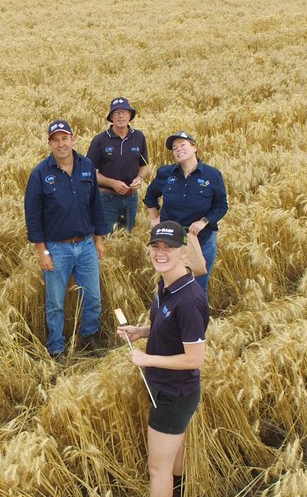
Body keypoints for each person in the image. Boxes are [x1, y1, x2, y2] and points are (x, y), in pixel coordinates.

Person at [117, 221, 209, 497]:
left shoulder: (190, 299)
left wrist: (147, 359)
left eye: (169, 247)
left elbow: (195, 359)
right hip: (164, 387)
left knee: (158, 468)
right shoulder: (166, 284)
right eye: (156, 246)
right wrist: (140, 332)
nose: (160, 253)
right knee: (174, 453)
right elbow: (163, 324)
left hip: (175, 394)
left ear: (184, 252)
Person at [25, 119, 110, 359]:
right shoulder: (40, 173)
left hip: (85, 245)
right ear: (50, 144)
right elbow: (33, 216)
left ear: (73, 139)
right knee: (55, 303)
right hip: (56, 248)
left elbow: (96, 205)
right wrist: (42, 251)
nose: (61, 144)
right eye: (56, 140)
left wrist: (99, 240)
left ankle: (89, 335)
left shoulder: (87, 166)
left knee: (93, 297)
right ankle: (56, 347)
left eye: (65, 138)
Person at [143, 131, 227, 293]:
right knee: (170, 287)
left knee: (198, 288)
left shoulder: (212, 175)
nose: (178, 149)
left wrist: (203, 221)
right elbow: (150, 197)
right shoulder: (165, 173)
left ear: (194, 147)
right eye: (174, 148)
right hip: (171, 243)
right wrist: (155, 220)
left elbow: (221, 206)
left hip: (201, 241)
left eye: (183, 145)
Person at [87, 97, 149, 233]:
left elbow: (144, 165)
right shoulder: (99, 140)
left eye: (124, 112)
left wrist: (139, 178)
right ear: (111, 117)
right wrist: (113, 183)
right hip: (106, 199)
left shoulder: (139, 137)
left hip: (131, 198)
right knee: (106, 239)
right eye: (117, 112)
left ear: (130, 115)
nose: (121, 116)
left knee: (128, 238)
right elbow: (89, 173)